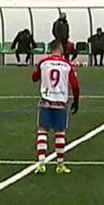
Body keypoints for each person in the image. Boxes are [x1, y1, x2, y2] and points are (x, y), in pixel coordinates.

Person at [32, 41, 80, 175]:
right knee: (60, 132)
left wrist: (39, 74)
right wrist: (76, 101)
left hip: (46, 100)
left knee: (42, 131)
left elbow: (34, 77)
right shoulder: (67, 65)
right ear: (61, 50)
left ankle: (41, 163)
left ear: (50, 49)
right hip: (60, 101)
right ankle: (60, 164)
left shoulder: (43, 63)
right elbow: (75, 85)